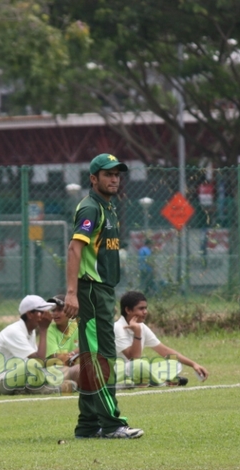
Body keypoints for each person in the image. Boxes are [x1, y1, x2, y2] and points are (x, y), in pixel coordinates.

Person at [64, 153, 144, 440]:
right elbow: (75, 249)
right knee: (102, 359)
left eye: (117, 174)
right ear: (93, 178)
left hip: (103, 292)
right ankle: (112, 424)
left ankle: (88, 425)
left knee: (93, 358)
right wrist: (72, 293)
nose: (114, 179)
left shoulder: (108, 208)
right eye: (107, 174)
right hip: (91, 291)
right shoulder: (90, 208)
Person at [114, 291, 208, 387]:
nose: (145, 312)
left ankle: (152, 381)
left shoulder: (141, 326)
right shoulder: (118, 327)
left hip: (139, 371)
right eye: (141, 308)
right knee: (140, 365)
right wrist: (137, 333)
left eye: (146, 308)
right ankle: (161, 383)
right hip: (118, 372)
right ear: (128, 310)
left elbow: (165, 351)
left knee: (174, 362)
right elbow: (134, 358)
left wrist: (193, 364)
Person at [0, 295, 71, 395]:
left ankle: (30, 388)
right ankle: (47, 387)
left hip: (15, 377)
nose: (47, 315)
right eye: (42, 312)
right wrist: (43, 329)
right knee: (33, 364)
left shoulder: (31, 331)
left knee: (51, 367)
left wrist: (58, 363)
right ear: (30, 314)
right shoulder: (14, 331)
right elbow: (39, 361)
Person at [45, 294, 80, 387]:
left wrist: (72, 354)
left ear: (69, 311)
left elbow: (89, 346)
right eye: (53, 310)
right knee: (79, 370)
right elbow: (57, 359)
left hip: (75, 366)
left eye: (60, 310)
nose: (55, 313)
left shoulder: (76, 326)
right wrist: (76, 353)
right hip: (57, 370)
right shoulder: (49, 329)